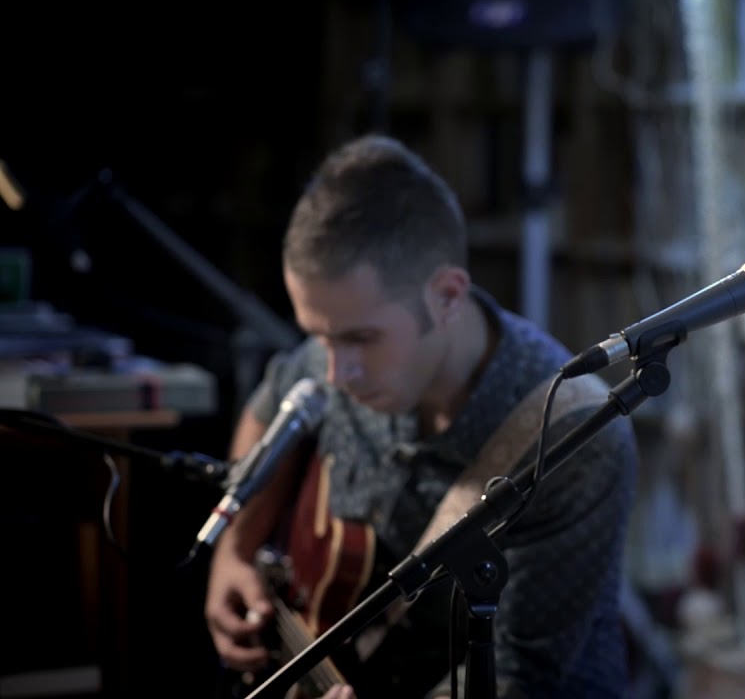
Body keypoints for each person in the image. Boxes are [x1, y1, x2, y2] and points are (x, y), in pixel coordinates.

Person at [203, 133, 639, 699]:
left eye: (360, 339)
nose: (335, 372)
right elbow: (273, 404)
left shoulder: (576, 439)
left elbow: (519, 675)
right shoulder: (344, 338)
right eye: (319, 337)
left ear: (448, 295)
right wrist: (234, 554)